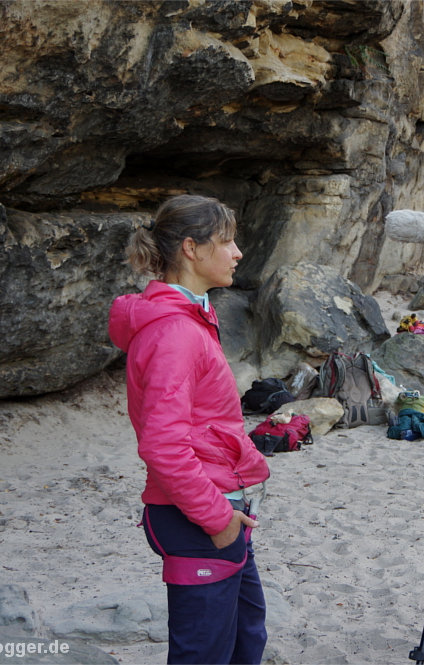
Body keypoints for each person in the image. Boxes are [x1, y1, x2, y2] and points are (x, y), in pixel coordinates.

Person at [108, 195, 270, 665]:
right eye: (226, 241)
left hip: (218, 508)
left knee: (244, 638)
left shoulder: (192, 317)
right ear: (191, 249)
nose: (238, 252)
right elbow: (162, 444)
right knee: (204, 655)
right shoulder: (175, 332)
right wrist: (218, 519)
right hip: (200, 517)